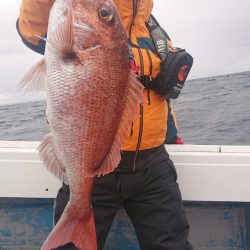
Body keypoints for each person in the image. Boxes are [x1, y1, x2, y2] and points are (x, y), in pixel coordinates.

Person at [17, 0, 193, 249]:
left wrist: (172, 137)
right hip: (94, 167)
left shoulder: (155, 33)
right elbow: (30, 26)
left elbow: (159, 96)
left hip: (153, 166)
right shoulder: (83, 15)